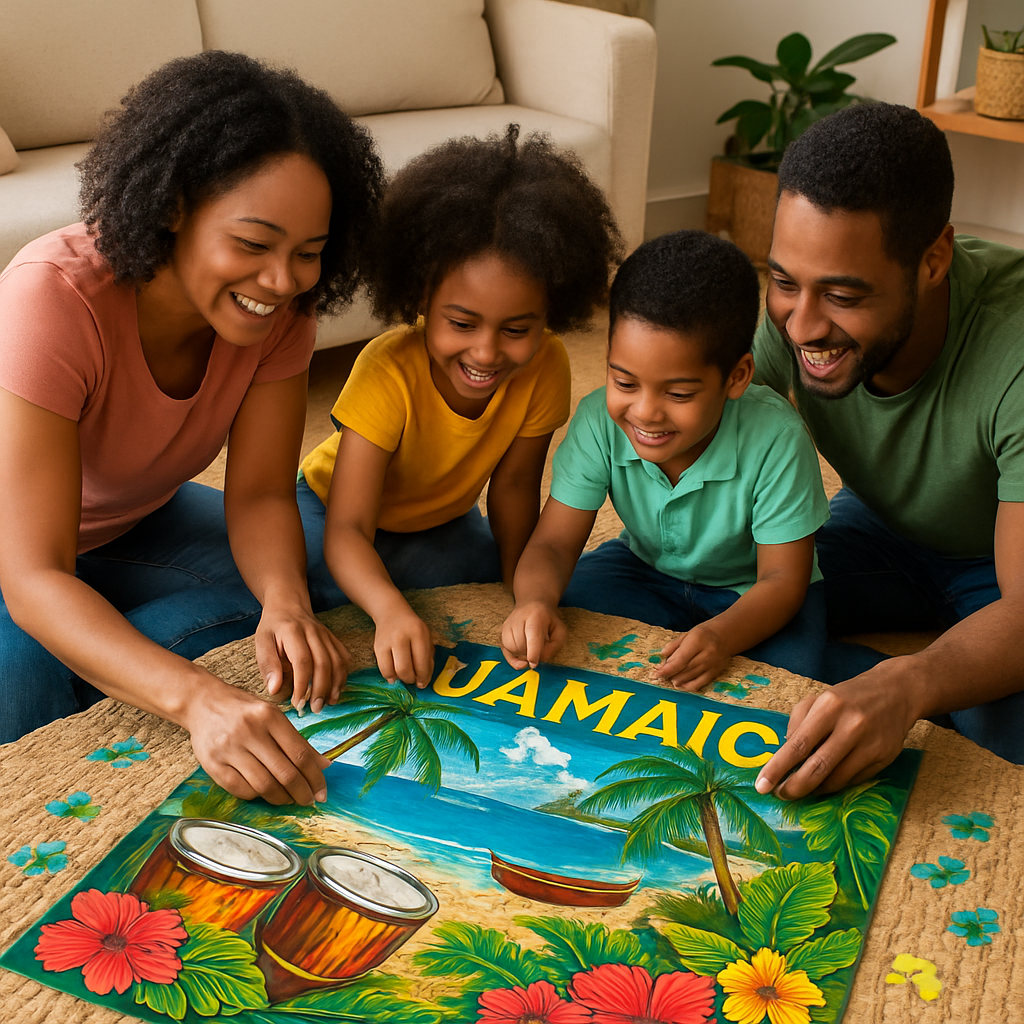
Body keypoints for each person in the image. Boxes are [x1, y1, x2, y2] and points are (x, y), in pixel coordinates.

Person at [0, 51, 385, 805]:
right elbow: (33, 574)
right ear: (173, 206)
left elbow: (263, 499)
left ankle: (111, 656)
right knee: (27, 692)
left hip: (130, 524)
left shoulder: (281, 313)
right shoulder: (53, 298)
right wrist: (195, 697)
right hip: (18, 553)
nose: (282, 281)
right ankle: (107, 663)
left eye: (308, 254)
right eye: (253, 244)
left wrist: (284, 605)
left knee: (315, 594)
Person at [750, 102, 1024, 801]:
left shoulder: (1014, 348)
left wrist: (908, 683)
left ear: (933, 259)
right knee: (710, 589)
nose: (802, 324)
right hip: (877, 527)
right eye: (784, 282)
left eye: (842, 295)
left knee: (1009, 726)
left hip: (999, 556)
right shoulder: (793, 308)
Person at [299, 125, 623, 689]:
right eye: (461, 323)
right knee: (320, 590)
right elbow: (349, 526)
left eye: (517, 329)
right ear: (421, 296)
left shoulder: (546, 365)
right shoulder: (386, 369)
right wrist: (390, 611)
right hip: (332, 511)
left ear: (552, 310)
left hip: (440, 522)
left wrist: (524, 597)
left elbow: (517, 489)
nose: (486, 352)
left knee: (484, 582)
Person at [501, 230, 830, 687]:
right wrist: (533, 602)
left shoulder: (778, 439)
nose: (645, 412)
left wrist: (721, 635)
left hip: (753, 590)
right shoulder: (598, 420)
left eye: (677, 393)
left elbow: (782, 580)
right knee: (563, 620)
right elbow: (552, 544)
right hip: (644, 571)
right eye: (625, 382)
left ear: (736, 377)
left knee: (790, 679)